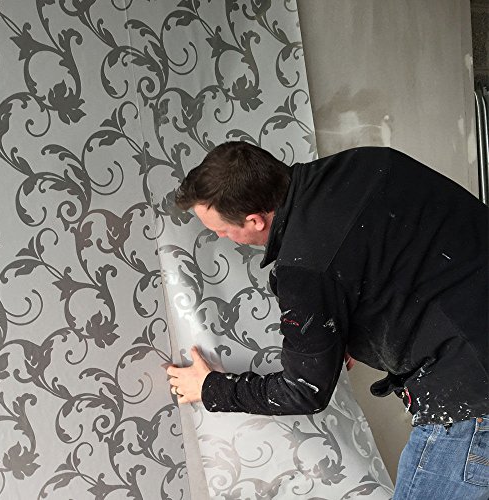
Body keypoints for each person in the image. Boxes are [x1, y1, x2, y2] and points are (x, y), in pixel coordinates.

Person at [166, 141, 488, 499]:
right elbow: (399, 256)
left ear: (255, 220)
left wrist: (211, 388)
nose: (221, 237)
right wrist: (346, 328)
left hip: (473, 403)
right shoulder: (368, 161)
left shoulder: (305, 267)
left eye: (223, 231)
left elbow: (305, 390)